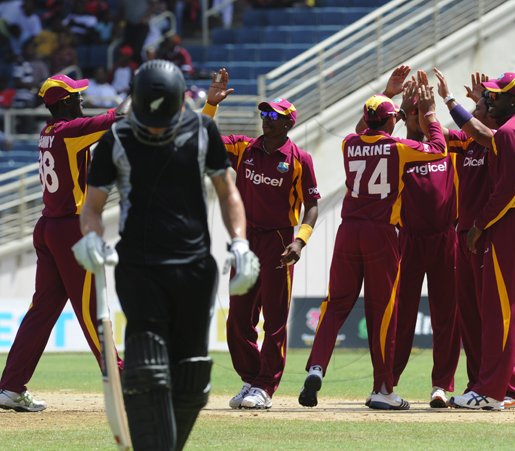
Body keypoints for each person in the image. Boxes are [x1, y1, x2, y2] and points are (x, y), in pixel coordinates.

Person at [74, 60, 259, 450]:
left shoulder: (203, 130)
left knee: (192, 376)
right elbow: (91, 206)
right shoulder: (118, 137)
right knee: (148, 370)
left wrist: (239, 242)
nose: (155, 127)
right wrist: (90, 237)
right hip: (139, 268)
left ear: (179, 104)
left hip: (195, 268)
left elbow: (228, 193)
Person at [299, 72, 448, 410]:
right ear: (389, 122)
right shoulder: (398, 147)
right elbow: (439, 149)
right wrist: (429, 114)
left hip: (348, 230)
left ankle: (317, 368)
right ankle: (383, 389)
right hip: (381, 234)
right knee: (383, 312)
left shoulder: (349, 144)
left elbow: (358, 128)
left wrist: (385, 94)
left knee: (335, 305)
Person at [0, 73, 128, 412]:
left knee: (41, 311)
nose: (82, 100)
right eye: (77, 96)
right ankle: (121, 381)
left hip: (47, 227)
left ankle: (11, 387)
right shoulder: (70, 132)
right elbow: (120, 117)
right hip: (71, 229)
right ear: (65, 102)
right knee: (91, 310)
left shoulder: (48, 133)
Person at [202, 68, 320, 410]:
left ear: (288, 124)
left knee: (275, 320)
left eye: (275, 116)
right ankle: (252, 379)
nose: (267, 119)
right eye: (265, 113)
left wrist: (300, 242)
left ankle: (266, 386)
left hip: (280, 241)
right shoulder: (243, 148)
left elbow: (312, 205)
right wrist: (211, 105)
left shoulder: (300, 161)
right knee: (238, 318)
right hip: (246, 239)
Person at [449, 72, 515, 411]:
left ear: (513, 101)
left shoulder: (511, 131)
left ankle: (492, 392)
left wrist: (479, 225)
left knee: (501, 309)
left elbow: (507, 187)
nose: (491, 100)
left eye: (496, 96)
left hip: (513, 221)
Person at [431, 68, 515, 409]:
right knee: (478, 315)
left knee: (497, 313)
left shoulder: (500, 136)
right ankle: (494, 384)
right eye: (484, 98)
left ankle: (498, 387)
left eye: (491, 98)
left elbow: (478, 129)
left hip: (491, 230)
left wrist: (449, 101)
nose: (484, 101)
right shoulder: (477, 139)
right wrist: (417, 112)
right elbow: (444, 136)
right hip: (471, 231)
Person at [369, 69, 461, 409]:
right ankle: (386, 383)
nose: (421, 115)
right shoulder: (394, 147)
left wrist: (443, 105)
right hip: (407, 239)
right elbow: (364, 135)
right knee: (401, 315)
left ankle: (441, 385)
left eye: (424, 109)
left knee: (446, 315)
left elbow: (486, 137)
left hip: (445, 238)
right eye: (415, 110)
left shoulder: (447, 140)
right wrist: (388, 95)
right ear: (404, 116)